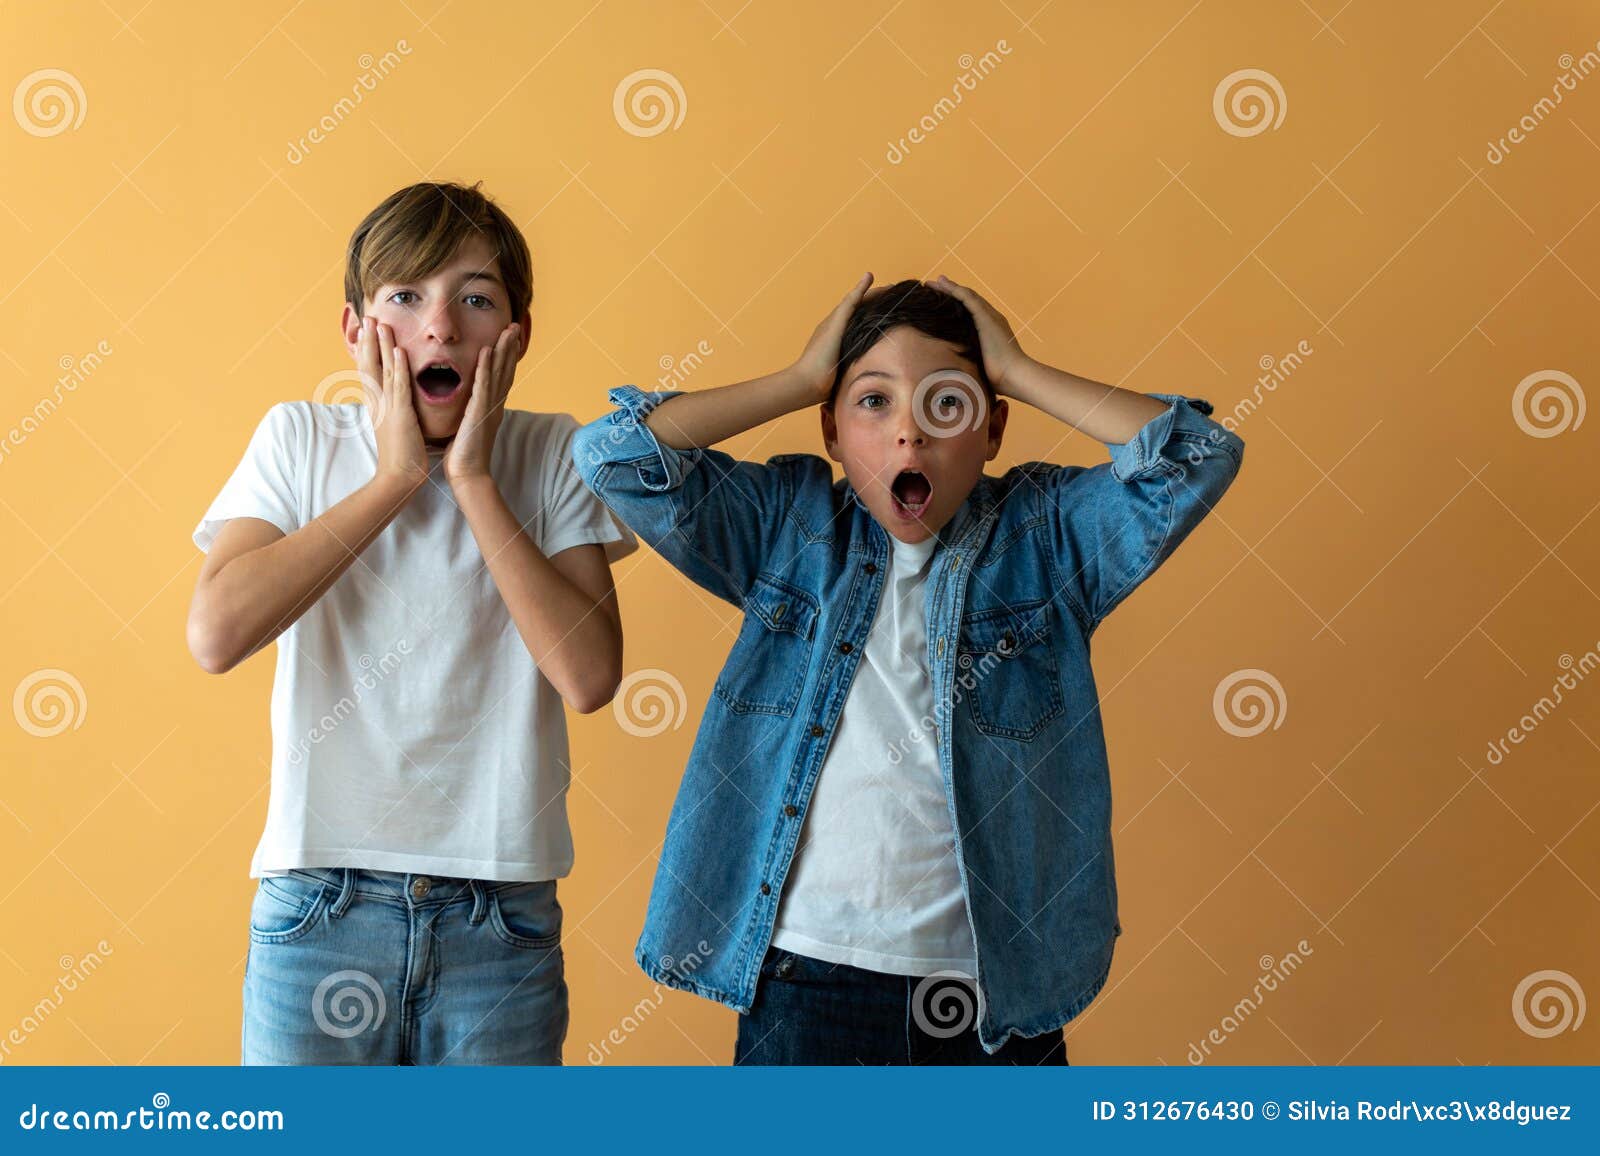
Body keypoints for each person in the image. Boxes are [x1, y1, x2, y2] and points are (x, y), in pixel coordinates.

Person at [573, 273, 1244, 1063]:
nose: (909, 436)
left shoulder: (1049, 540)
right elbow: (610, 455)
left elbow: (1200, 455)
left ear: (993, 429)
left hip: (995, 995)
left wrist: (1019, 369)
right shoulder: (789, 527)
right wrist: (795, 380)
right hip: (807, 975)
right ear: (830, 428)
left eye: (946, 404)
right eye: (874, 401)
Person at [187, 181, 636, 1064]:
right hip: (321, 909)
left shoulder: (550, 455)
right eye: (405, 298)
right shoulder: (301, 441)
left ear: (517, 337)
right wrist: (393, 480)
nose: (441, 328)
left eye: (475, 299)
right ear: (356, 331)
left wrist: (471, 479)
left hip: (498, 920)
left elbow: (589, 679)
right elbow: (215, 634)